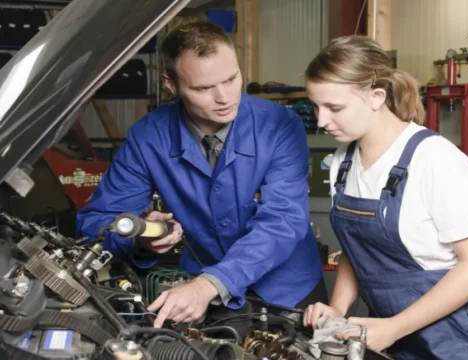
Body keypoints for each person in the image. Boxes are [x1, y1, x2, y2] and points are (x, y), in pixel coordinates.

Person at [76, 20, 327, 328]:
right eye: (203, 88)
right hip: (204, 293)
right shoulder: (148, 137)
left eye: (232, 78)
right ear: (171, 85)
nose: (224, 97)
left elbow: (283, 220)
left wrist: (209, 285)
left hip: (289, 290)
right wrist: (141, 237)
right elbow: (97, 223)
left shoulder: (280, 125)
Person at [301, 35, 468, 359]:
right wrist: (337, 309)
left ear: (376, 97)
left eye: (334, 107)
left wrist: (394, 327)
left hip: (463, 341)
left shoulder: (434, 159)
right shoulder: (343, 163)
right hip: (398, 337)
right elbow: (356, 250)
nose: (321, 121)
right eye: (316, 107)